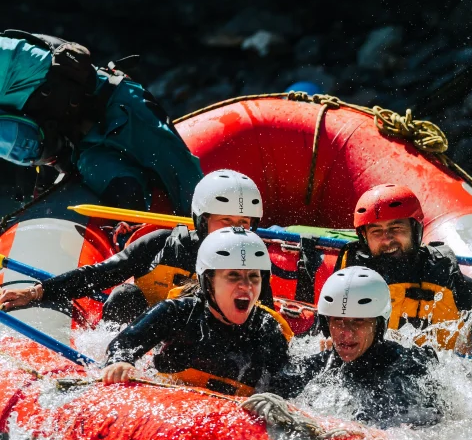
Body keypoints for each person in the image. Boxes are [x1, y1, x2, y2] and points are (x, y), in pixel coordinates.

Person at [0, 169, 267, 325]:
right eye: (226, 221)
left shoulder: (253, 265)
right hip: (148, 336)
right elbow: (100, 274)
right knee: (124, 297)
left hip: (203, 345)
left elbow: (265, 322)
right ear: (202, 219)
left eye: (243, 222)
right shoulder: (162, 243)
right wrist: (37, 292)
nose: (236, 230)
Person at [0, 30, 203, 212]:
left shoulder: (5, 53)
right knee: (126, 197)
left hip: (121, 109)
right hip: (84, 147)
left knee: (190, 186)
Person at [102, 228, 290, 396]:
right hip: (167, 405)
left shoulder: (267, 329)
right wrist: (120, 361)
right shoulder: (176, 312)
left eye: (253, 277)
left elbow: (287, 381)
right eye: (233, 275)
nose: (246, 286)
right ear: (209, 281)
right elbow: (123, 344)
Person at [271, 266, 443, 426]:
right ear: (326, 324)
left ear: (379, 325)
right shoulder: (314, 368)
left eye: (359, 321)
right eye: (337, 320)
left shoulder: (410, 369)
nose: (346, 333)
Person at [334, 183, 472, 348]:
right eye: (376, 231)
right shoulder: (347, 285)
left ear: (415, 230)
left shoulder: (458, 285)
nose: (387, 239)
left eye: (396, 228)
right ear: (365, 238)